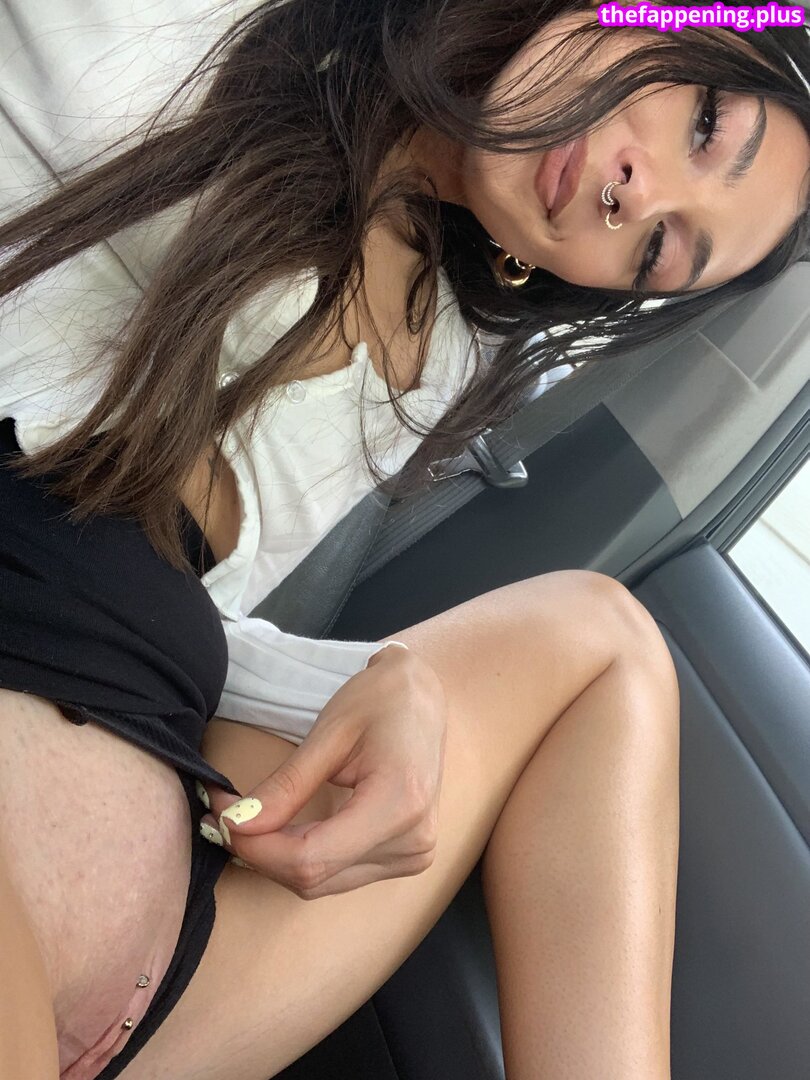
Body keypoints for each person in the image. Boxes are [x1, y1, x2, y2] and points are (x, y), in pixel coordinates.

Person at [0, 0, 808, 1077]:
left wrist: (380, 685)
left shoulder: (445, 359)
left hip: (152, 879)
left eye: (660, 248)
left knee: (605, 640)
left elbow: (201, 601)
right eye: (704, 121)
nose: (636, 194)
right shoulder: (220, 24)